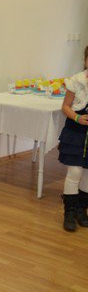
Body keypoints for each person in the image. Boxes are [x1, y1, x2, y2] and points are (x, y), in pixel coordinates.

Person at [58, 46, 88, 232]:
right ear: (85, 60)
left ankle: (81, 209)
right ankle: (69, 211)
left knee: (87, 174)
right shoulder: (76, 81)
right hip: (76, 131)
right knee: (75, 171)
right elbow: (66, 106)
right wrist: (77, 118)